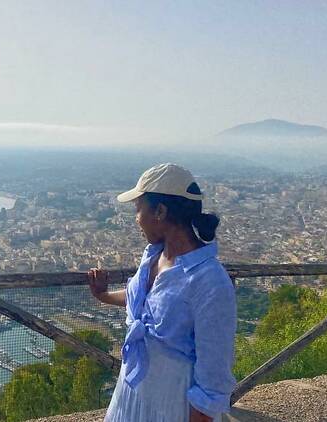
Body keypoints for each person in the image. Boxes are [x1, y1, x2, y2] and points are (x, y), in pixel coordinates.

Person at [87, 163, 236, 422]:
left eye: (138, 209)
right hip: (133, 391)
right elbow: (144, 303)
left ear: (160, 211)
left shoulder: (210, 281)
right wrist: (104, 296)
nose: (136, 219)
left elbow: (214, 372)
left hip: (172, 401)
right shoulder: (154, 256)